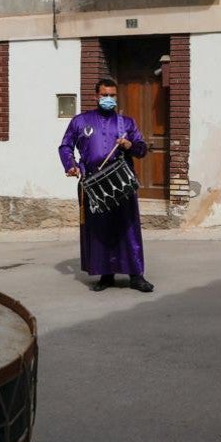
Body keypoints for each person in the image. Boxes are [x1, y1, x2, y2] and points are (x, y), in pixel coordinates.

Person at [58, 78, 153, 292]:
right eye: (104, 95)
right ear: (96, 96)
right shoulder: (80, 121)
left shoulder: (126, 123)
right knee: (99, 229)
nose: (108, 99)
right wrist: (70, 165)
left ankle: (136, 275)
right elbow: (65, 146)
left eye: (112, 95)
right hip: (92, 183)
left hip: (120, 182)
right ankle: (105, 274)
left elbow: (141, 149)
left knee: (127, 227)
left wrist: (129, 144)